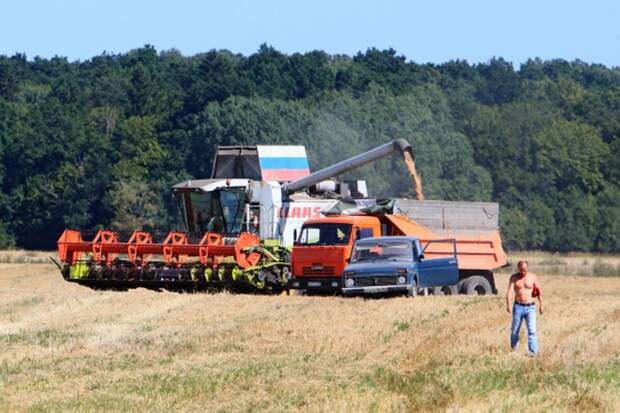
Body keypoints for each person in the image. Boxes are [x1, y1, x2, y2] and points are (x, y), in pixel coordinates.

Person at [506, 260, 544, 356]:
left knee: (532, 331)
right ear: (518, 268)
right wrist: (508, 305)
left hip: (530, 307)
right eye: (521, 270)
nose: (523, 272)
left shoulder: (532, 277)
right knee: (515, 330)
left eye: (525, 270)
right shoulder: (514, 278)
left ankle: (533, 353)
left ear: (527, 268)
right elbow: (510, 292)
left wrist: (541, 304)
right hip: (518, 306)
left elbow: (538, 291)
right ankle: (514, 350)